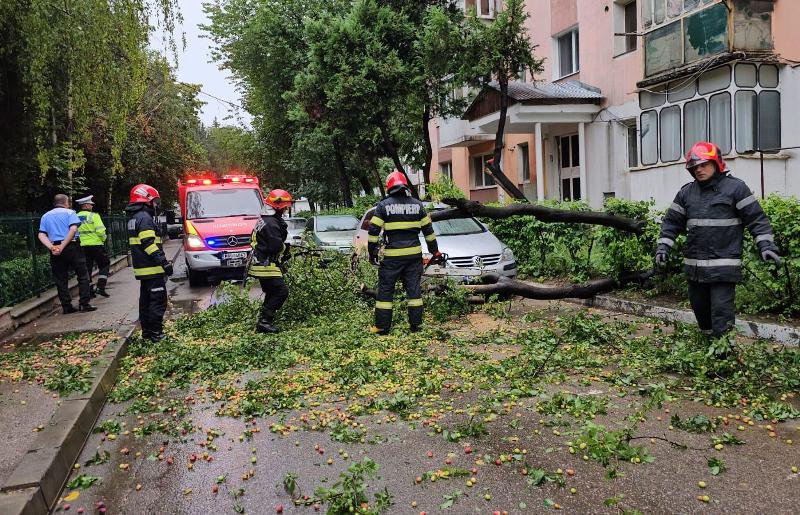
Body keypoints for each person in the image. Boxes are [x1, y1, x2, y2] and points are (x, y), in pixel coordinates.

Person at [655, 141, 780, 347]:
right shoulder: (686, 192)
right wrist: (663, 247)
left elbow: (757, 220)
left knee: (721, 316)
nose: (699, 170)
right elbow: (671, 223)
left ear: (717, 163)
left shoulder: (736, 189)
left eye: (703, 165)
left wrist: (766, 246)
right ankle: (710, 350)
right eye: (695, 167)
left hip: (723, 269)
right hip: (695, 271)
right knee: (701, 314)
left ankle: (722, 356)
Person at [367, 171, 442, 335]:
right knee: (414, 291)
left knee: (386, 290)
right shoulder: (417, 205)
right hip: (414, 257)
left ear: (389, 187)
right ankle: (416, 326)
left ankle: (382, 327)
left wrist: (372, 252)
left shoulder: (383, 205)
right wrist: (434, 251)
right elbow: (428, 231)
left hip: (393, 258)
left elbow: (373, 230)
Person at [126, 184, 173, 342]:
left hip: (143, 270)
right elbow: (148, 243)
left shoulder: (134, 218)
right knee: (157, 302)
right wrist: (164, 262)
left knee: (145, 302)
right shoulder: (145, 219)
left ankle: (147, 333)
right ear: (146, 200)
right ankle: (156, 334)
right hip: (151, 269)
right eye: (154, 201)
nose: (156, 205)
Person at [37, 194, 96, 313]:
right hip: (72, 246)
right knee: (83, 275)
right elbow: (73, 229)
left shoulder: (45, 216)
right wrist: (63, 246)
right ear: (66, 203)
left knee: (61, 279)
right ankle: (84, 304)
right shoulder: (70, 213)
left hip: (55, 249)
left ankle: (67, 306)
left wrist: (53, 247)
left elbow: (41, 234)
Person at [249, 189, 293, 334]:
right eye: (285, 207)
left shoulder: (265, 219)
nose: (286, 210)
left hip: (260, 262)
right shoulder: (271, 223)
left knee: (271, 291)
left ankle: (265, 320)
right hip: (265, 263)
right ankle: (264, 321)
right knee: (281, 291)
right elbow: (275, 246)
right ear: (278, 206)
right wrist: (285, 248)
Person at [76, 195, 111, 298]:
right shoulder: (94, 216)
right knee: (105, 264)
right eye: (91, 204)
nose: (92, 206)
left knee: (87, 268)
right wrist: (103, 239)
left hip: (82, 246)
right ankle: (101, 287)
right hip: (96, 245)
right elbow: (100, 231)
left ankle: (90, 291)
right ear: (86, 205)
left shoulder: (75, 216)